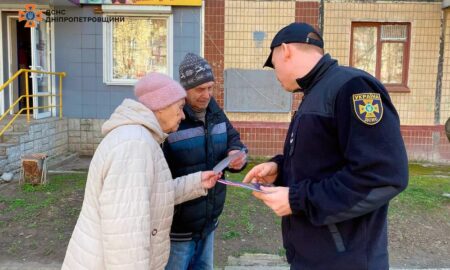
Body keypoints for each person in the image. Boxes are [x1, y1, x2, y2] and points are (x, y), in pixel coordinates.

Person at [243, 22, 408, 270]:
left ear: (285, 50)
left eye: (273, 62)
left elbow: (383, 176)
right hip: (314, 255)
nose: (274, 72)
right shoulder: (316, 92)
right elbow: (323, 159)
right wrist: (280, 168)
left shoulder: (352, 87)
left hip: (346, 260)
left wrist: (298, 200)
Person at [62, 72, 221, 270]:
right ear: (161, 107)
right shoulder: (135, 145)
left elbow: (153, 195)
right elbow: (126, 240)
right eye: (180, 108)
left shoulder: (140, 138)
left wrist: (197, 182)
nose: (182, 115)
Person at [163, 53, 247, 270]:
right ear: (184, 89)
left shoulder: (216, 113)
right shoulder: (171, 120)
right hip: (178, 230)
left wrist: (237, 155)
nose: (207, 95)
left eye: (210, 87)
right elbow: (158, 180)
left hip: (209, 223)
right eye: (200, 89)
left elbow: (235, 140)